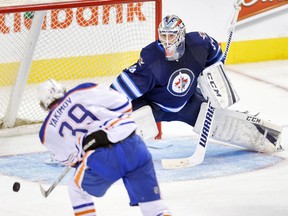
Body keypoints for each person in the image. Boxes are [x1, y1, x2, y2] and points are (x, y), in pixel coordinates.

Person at [110, 14, 282, 153]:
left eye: (172, 35)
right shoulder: (151, 58)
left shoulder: (200, 43)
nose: (167, 40)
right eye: (163, 35)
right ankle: (99, 153)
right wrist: (106, 114)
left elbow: (216, 59)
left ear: (182, 35)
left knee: (222, 123)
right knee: (130, 123)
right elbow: (120, 90)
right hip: (154, 107)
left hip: (188, 103)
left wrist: (212, 77)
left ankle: (266, 139)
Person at [37, 79, 172, 216]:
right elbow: (125, 105)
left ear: (43, 106)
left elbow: (71, 161)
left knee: (76, 188)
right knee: (155, 208)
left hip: (101, 158)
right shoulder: (82, 90)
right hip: (134, 145)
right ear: (63, 90)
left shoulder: (46, 132)